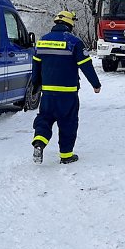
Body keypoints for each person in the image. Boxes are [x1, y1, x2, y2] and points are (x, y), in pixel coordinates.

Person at [30, 10, 101, 165]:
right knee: (68, 122)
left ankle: (39, 142)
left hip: (48, 93)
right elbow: (86, 65)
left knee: (44, 118)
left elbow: (36, 66)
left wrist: (35, 85)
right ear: (70, 24)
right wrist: (95, 84)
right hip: (67, 94)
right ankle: (66, 155)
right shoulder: (74, 42)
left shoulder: (42, 41)